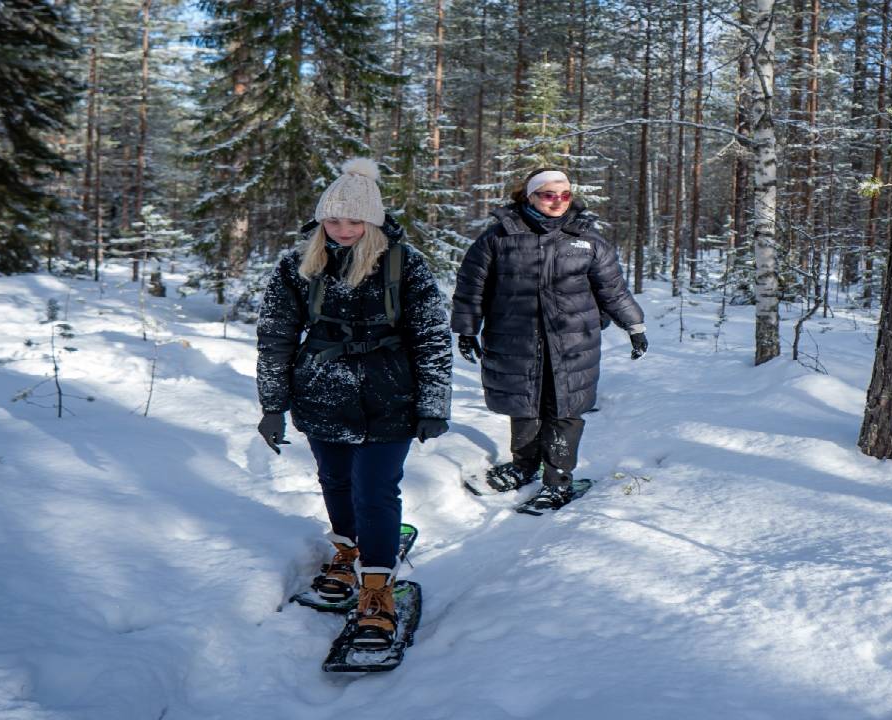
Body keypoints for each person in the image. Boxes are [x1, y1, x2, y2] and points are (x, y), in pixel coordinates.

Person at [255, 158, 451, 649]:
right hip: (322, 392)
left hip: (392, 397)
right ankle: (346, 550)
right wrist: (272, 406)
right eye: (333, 219)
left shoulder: (405, 264)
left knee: (375, 490)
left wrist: (433, 404)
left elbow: (431, 338)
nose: (342, 229)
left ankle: (377, 589)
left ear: (374, 221)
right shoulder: (298, 265)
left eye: (353, 220)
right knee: (335, 480)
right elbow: (276, 337)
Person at [451, 168, 646, 510]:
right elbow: (472, 287)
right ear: (529, 196)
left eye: (564, 195)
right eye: (547, 194)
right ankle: (524, 466)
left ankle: (558, 481)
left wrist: (634, 326)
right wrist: (466, 329)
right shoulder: (498, 238)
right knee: (523, 405)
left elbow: (613, 290)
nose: (557, 201)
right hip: (515, 340)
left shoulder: (586, 239)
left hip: (573, 345)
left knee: (565, 409)